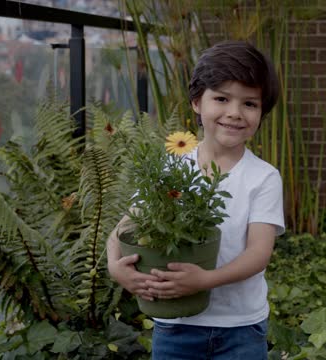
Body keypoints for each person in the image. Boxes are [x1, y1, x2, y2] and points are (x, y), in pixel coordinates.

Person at [106, 40, 285, 360]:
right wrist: (116, 268)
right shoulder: (171, 167)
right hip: (175, 325)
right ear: (196, 102)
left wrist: (205, 281)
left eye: (250, 104)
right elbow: (124, 227)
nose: (234, 113)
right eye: (221, 98)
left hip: (240, 328)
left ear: (261, 112)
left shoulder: (264, 177)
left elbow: (259, 253)